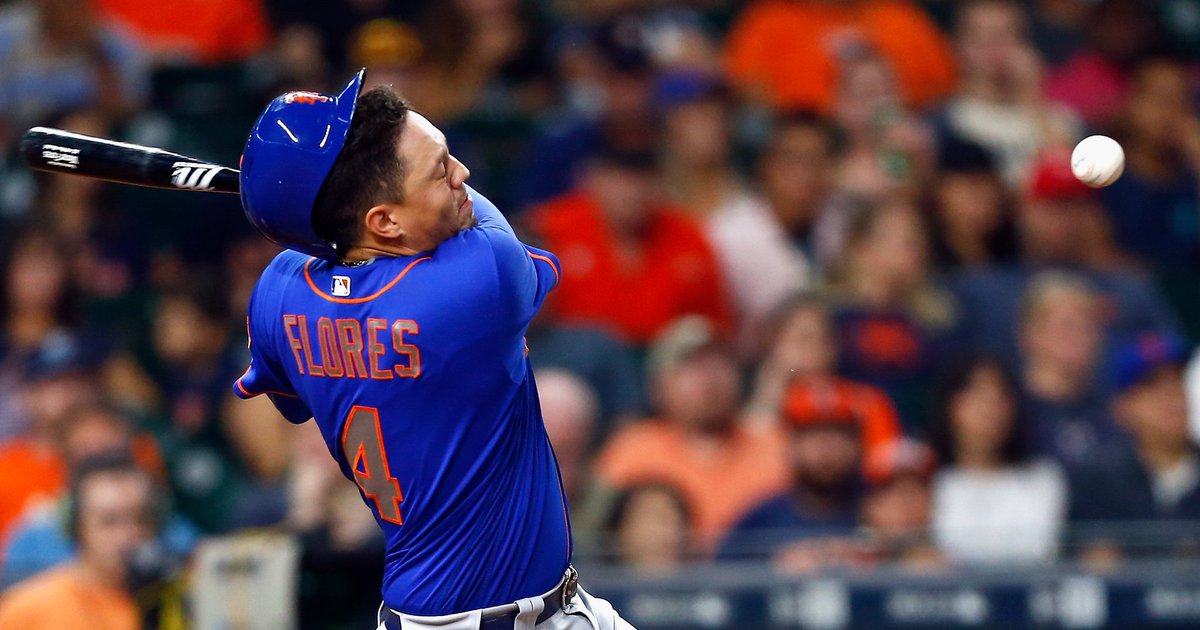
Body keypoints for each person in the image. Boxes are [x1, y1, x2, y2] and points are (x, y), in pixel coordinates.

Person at [231, 70, 631, 628]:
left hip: (523, 607)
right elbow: (484, 222)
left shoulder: (277, 292)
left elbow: (293, 402)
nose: (463, 174)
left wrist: (324, 202)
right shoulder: (478, 279)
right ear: (385, 221)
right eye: (441, 170)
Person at [593, 317, 789, 552]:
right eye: (691, 365)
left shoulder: (773, 443)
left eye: (720, 362)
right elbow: (593, 539)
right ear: (657, 387)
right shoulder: (631, 450)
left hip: (757, 572)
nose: (709, 376)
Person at [1068, 332, 1200, 566]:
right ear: (1122, 406)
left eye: (1178, 382)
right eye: (1152, 387)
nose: (1171, 398)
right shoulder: (1098, 481)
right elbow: (1095, 566)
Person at [927, 355, 1067, 564]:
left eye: (999, 399)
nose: (988, 410)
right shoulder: (926, 482)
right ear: (950, 405)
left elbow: (1037, 555)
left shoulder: (1043, 480)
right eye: (976, 397)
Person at [0, 453, 162, 630]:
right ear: (76, 526)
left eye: (140, 519)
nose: (128, 534)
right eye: (110, 521)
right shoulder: (29, 610)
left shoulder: (171, 601)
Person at [720, 382, 866, 570]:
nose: (825, 447)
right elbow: (721, 577)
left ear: (857, 444)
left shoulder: (880, 510)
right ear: (790, 445)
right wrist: (774, 571)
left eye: (838, 434)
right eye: (812, 435)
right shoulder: (759, 520)